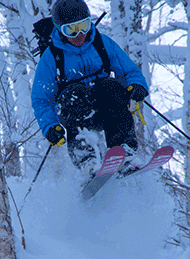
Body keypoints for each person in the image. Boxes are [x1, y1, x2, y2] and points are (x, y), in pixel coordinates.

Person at [31, 0, 149, 174]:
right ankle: (87, 161)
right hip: (75, 113)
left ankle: (124, 152)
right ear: (59, 30)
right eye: (71, 29)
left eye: (84, 26)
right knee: (74, 93)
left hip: (106, 111)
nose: (80, 34)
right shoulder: (51, 57)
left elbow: (129, 71)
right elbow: (42, 99)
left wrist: (137, 86)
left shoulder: (102, 43)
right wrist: (50, 126)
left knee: (111, 85)